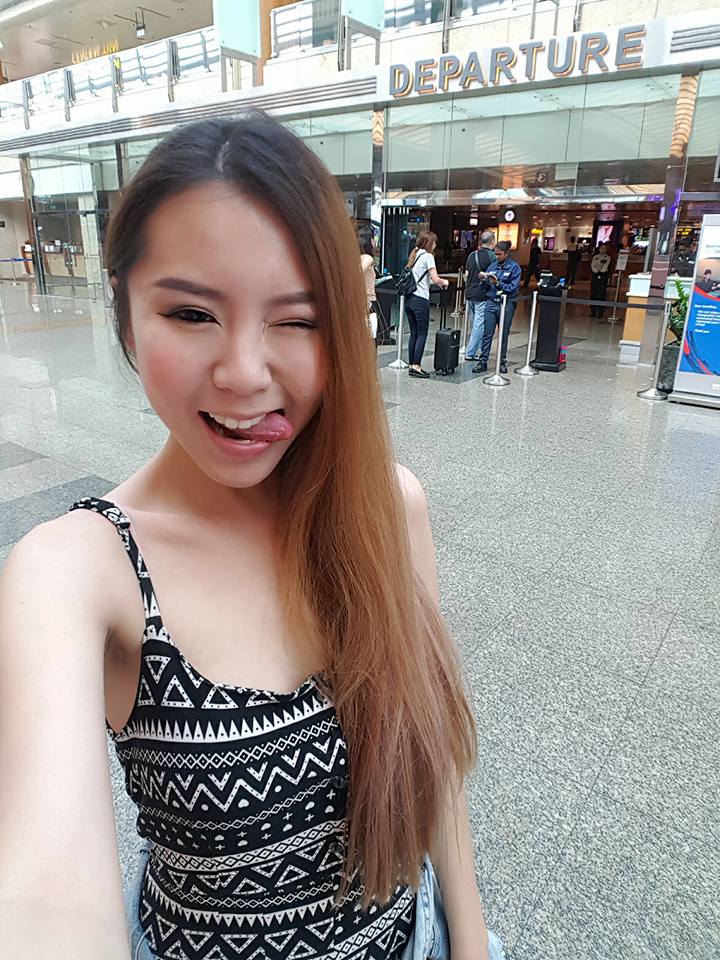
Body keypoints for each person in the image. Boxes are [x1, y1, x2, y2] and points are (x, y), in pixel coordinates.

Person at [0, 112, 505, 960]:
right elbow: (45, 898)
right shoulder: (79, 571)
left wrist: (473, 940)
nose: (243, 373)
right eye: (192, 313)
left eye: (297, 321)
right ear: (124, 312)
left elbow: (429, 769)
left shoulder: (386, 508)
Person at [404, 231, 449, 379]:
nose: (435, 245)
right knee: (422, 333)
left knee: (414, 333)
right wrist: (444, 282)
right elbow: (435, 279)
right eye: (434, 242)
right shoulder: (428, 257)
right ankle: (416, 366)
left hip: (409, 299)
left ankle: (411, 364)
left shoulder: (414, 255)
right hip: (420, 300)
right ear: (430, 243)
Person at [472, 241, 521, 375]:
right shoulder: (492, 266)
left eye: (499, 254)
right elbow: (485, 287)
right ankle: (483, 361)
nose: (497, 257)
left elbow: (512, 288)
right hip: (491, 302)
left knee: (503, 334)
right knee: (487, 334)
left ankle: (502, 362)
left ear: (506, 253)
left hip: (506, 303)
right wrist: (483, 280)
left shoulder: (514, 268)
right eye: (495, 254)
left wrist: (498, 283)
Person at [463, 230, 495, 361]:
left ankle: (481, 350)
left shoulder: (472, 255)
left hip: (469, 293)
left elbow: (466, 274)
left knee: (475, 324)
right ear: (492, 241)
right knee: (479, 325)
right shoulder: (492, 256)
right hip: (482, 294)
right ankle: (470, 352)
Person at [358, 226, 378, 342]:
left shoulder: (357, 257)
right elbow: (357, 273)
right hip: (368, 301)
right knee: (371, 340)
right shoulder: (368, 258)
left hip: (362, 302)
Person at [590, 242, 612, 318]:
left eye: (604, 248)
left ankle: (600, 311)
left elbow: (606, 265)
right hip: (595, 275)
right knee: (593, 292)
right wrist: (596, 272)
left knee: (601, 293)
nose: (603, 249)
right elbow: (592, 265)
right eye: (601, 248)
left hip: (603, 276)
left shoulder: (608, 257)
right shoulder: (595, 257)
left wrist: (601, 272)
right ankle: (593, 310)